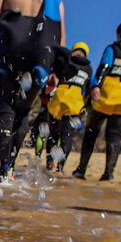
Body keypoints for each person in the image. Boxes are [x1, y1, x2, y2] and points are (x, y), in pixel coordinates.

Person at [0, 0, 66, 182]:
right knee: (23, 111)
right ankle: (10, 164)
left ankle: (2, 171)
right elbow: (61, 39)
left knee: (6, 110)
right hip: (40, 59)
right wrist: (56, 72)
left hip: (10, 54)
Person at [73, 22, 121, 181]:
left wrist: (96, 86)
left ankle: (81, 170)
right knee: (114, 137)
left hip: (105, 96)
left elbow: (104, 67)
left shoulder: (112, 49)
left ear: (118, 35)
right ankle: (108, 174)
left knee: (91, 132)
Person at [30, 41, 92, 174]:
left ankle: (48, 164)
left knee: (53, 135)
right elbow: (88, 89)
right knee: (67, 137)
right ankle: (60, 167)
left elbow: (52, 80)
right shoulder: (88, 69)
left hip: (58, 101)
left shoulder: (66, 62)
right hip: (74, 104)